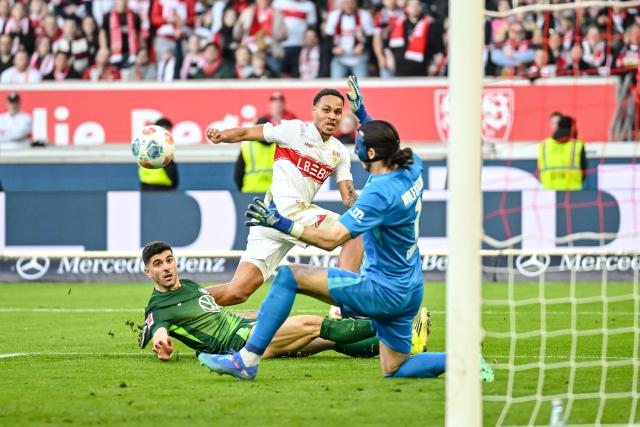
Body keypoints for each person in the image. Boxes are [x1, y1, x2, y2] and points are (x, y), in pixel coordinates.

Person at [198, 76, 494, 382]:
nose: (354, 143)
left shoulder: (377, 195)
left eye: (360, 143)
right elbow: (384, 144)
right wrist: (363, 113)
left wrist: (281, 223)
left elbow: (333, 239)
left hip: (381, 289)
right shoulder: (412, 165)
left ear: (369, 154)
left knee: (289, 276)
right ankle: (465, 359)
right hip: (410, 288)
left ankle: (248, 360)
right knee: (396, 368)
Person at [203, 88, 363, 307]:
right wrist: (221, 136)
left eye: (337, 112)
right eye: (326, 110)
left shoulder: (339, 152)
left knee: (237, 292)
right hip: (285, 211)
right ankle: (345, 305)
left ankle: (175, 302)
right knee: (354, 233)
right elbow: (247, 133)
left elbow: (348, 197)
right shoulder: (294, 130)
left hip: (270, 219)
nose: (332, 116)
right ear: (313, 111)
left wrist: (366, 203)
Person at [138, 240, 430, 361]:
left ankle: (403, 346)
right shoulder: (158, 307)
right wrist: (160, 342)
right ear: (148, 271)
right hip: (238, 344)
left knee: (331, 340)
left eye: (169, 260)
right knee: (314, 324)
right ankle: (398, 325)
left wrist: (259, 314)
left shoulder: (188, 287)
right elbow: (157, 329)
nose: (166, 267)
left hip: (245, 329)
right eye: (158, 264)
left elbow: (218, 309)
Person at [538, 115, 586, 191]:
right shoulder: (577, 145)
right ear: (572, 128)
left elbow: (539, 170)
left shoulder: (543, 145)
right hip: (572, 193)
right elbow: (584, 171)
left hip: (549, 192)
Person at [234, 117, 275, 192]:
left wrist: (241, 191)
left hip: (251, 192)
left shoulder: (247, 146)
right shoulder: (278, 145)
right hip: (274, 193)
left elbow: (238, 174)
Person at [139, 117, 179, 191]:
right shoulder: (163, 145)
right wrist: (174, 184)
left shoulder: (144, 145)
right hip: (162, 188)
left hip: (145, 187)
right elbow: (170, 169)